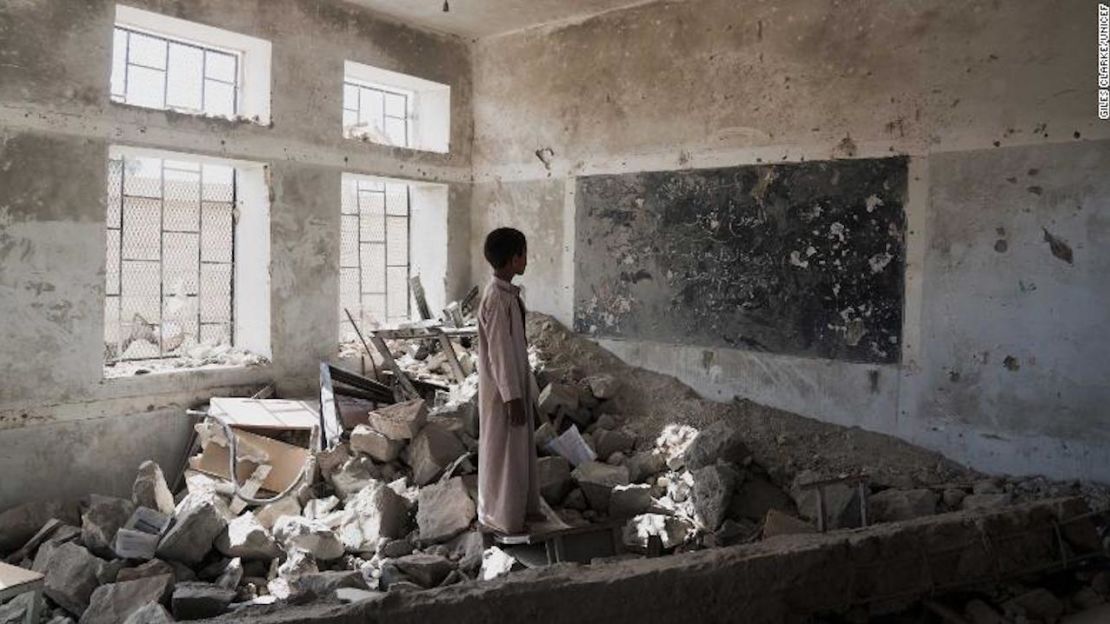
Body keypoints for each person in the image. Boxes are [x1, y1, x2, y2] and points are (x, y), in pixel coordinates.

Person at [476, 227, 542, 535]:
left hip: (513, 385)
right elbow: (500, 353)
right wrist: (512, 397)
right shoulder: (496, 299)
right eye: (524, 254)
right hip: (503, 392)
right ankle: (501, 516)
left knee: (517, 452)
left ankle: (522, 509)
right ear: (513, 259)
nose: (527, 259)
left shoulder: (508, 295)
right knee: (502, 455)